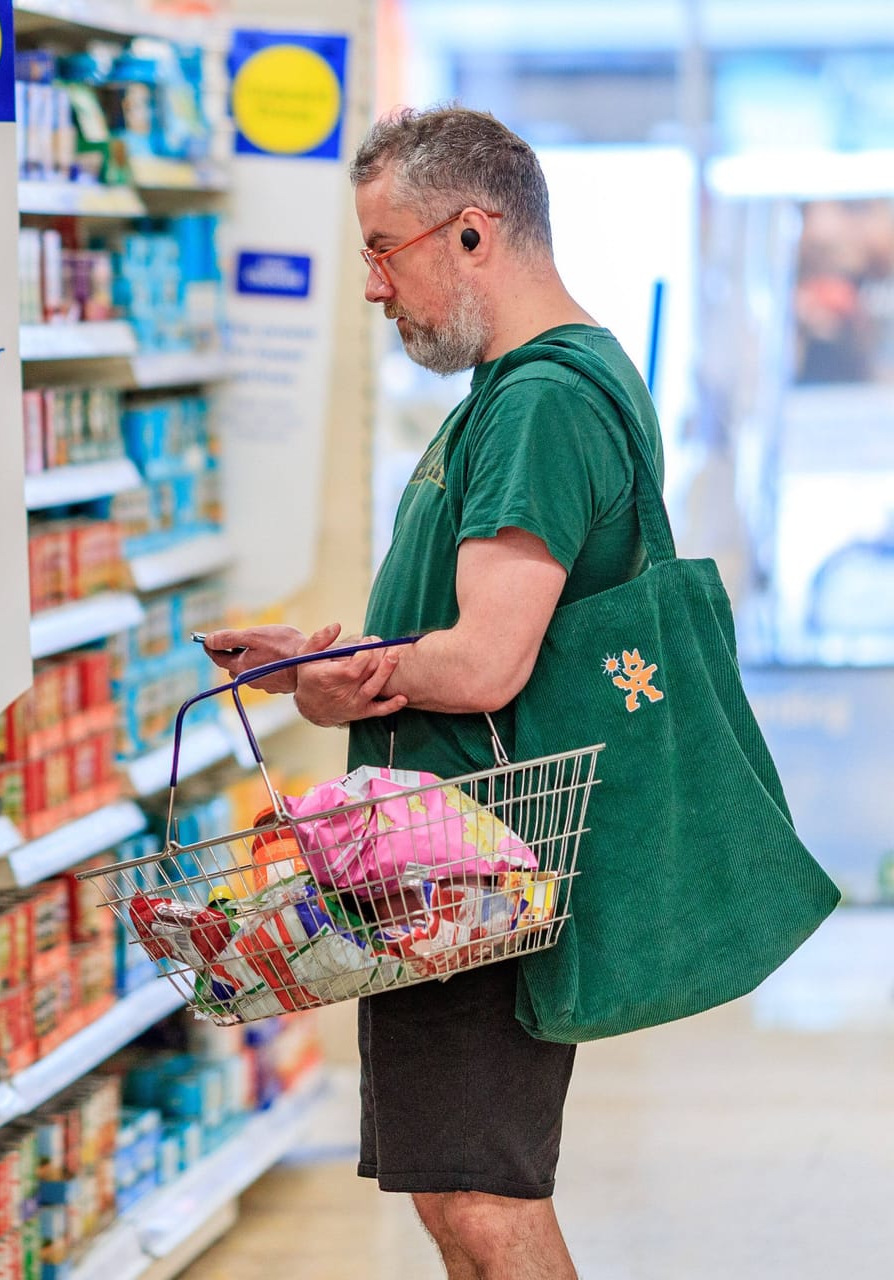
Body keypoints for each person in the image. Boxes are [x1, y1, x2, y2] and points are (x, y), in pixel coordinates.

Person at [203, 105, 669, 1280]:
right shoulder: (509, 397)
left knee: (485, 1202)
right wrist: (327, 671)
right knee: (456, 1194)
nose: (373, 287)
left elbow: (485, 664)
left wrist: (361, 670)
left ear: (472, 233)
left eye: (382, 249)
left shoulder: (540, 404)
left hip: (474, 870)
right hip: (437, 865)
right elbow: (450, 645)